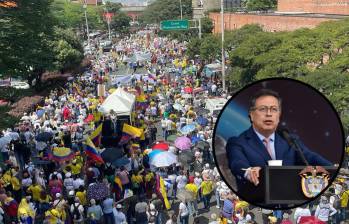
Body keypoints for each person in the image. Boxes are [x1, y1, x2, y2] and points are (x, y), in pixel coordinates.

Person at [227, 89, 332, 187]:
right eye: (263, 109)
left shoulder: (290, 140)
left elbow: (310, 157)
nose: (269, 114)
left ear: (279, 115)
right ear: (251, 114)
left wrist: (332, 169)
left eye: (274, 109)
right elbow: (237, 162)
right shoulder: (237, 142)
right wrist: (249, 171)